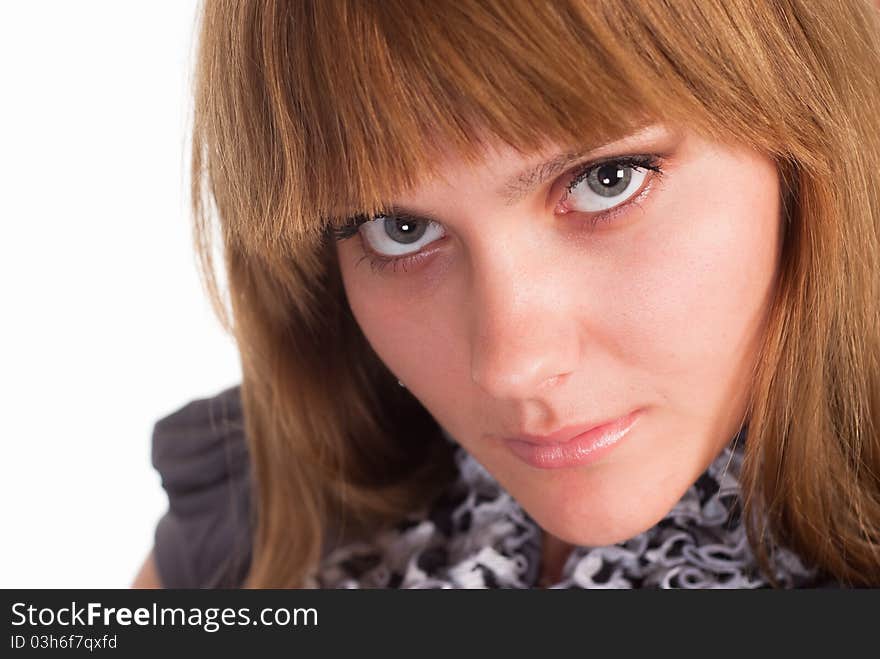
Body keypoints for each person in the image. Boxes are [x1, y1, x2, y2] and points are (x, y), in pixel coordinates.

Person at [132, 0, 880, 589]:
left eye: (605, 180)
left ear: (808, 133)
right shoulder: (262, 518)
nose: (510, 365)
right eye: (398, 229)